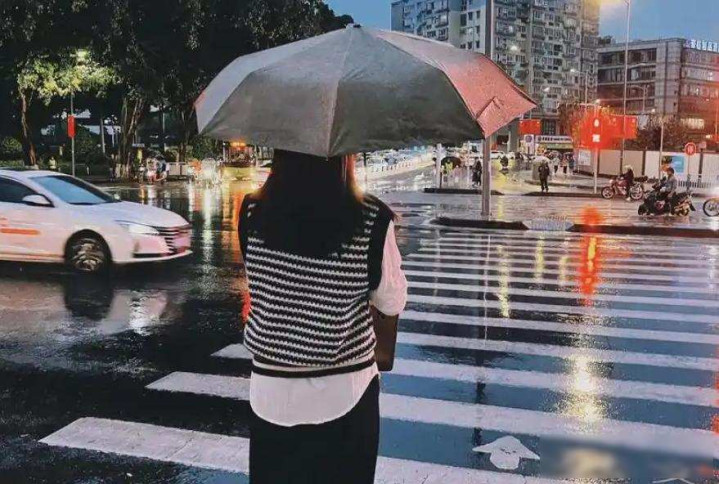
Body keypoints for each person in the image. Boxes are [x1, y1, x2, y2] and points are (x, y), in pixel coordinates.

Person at [239, 150, 407, 484]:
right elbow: (391, 301)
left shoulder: (253, 210)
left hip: (271, 392)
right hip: (345, 392)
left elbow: (258, 281)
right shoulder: (372, 218)